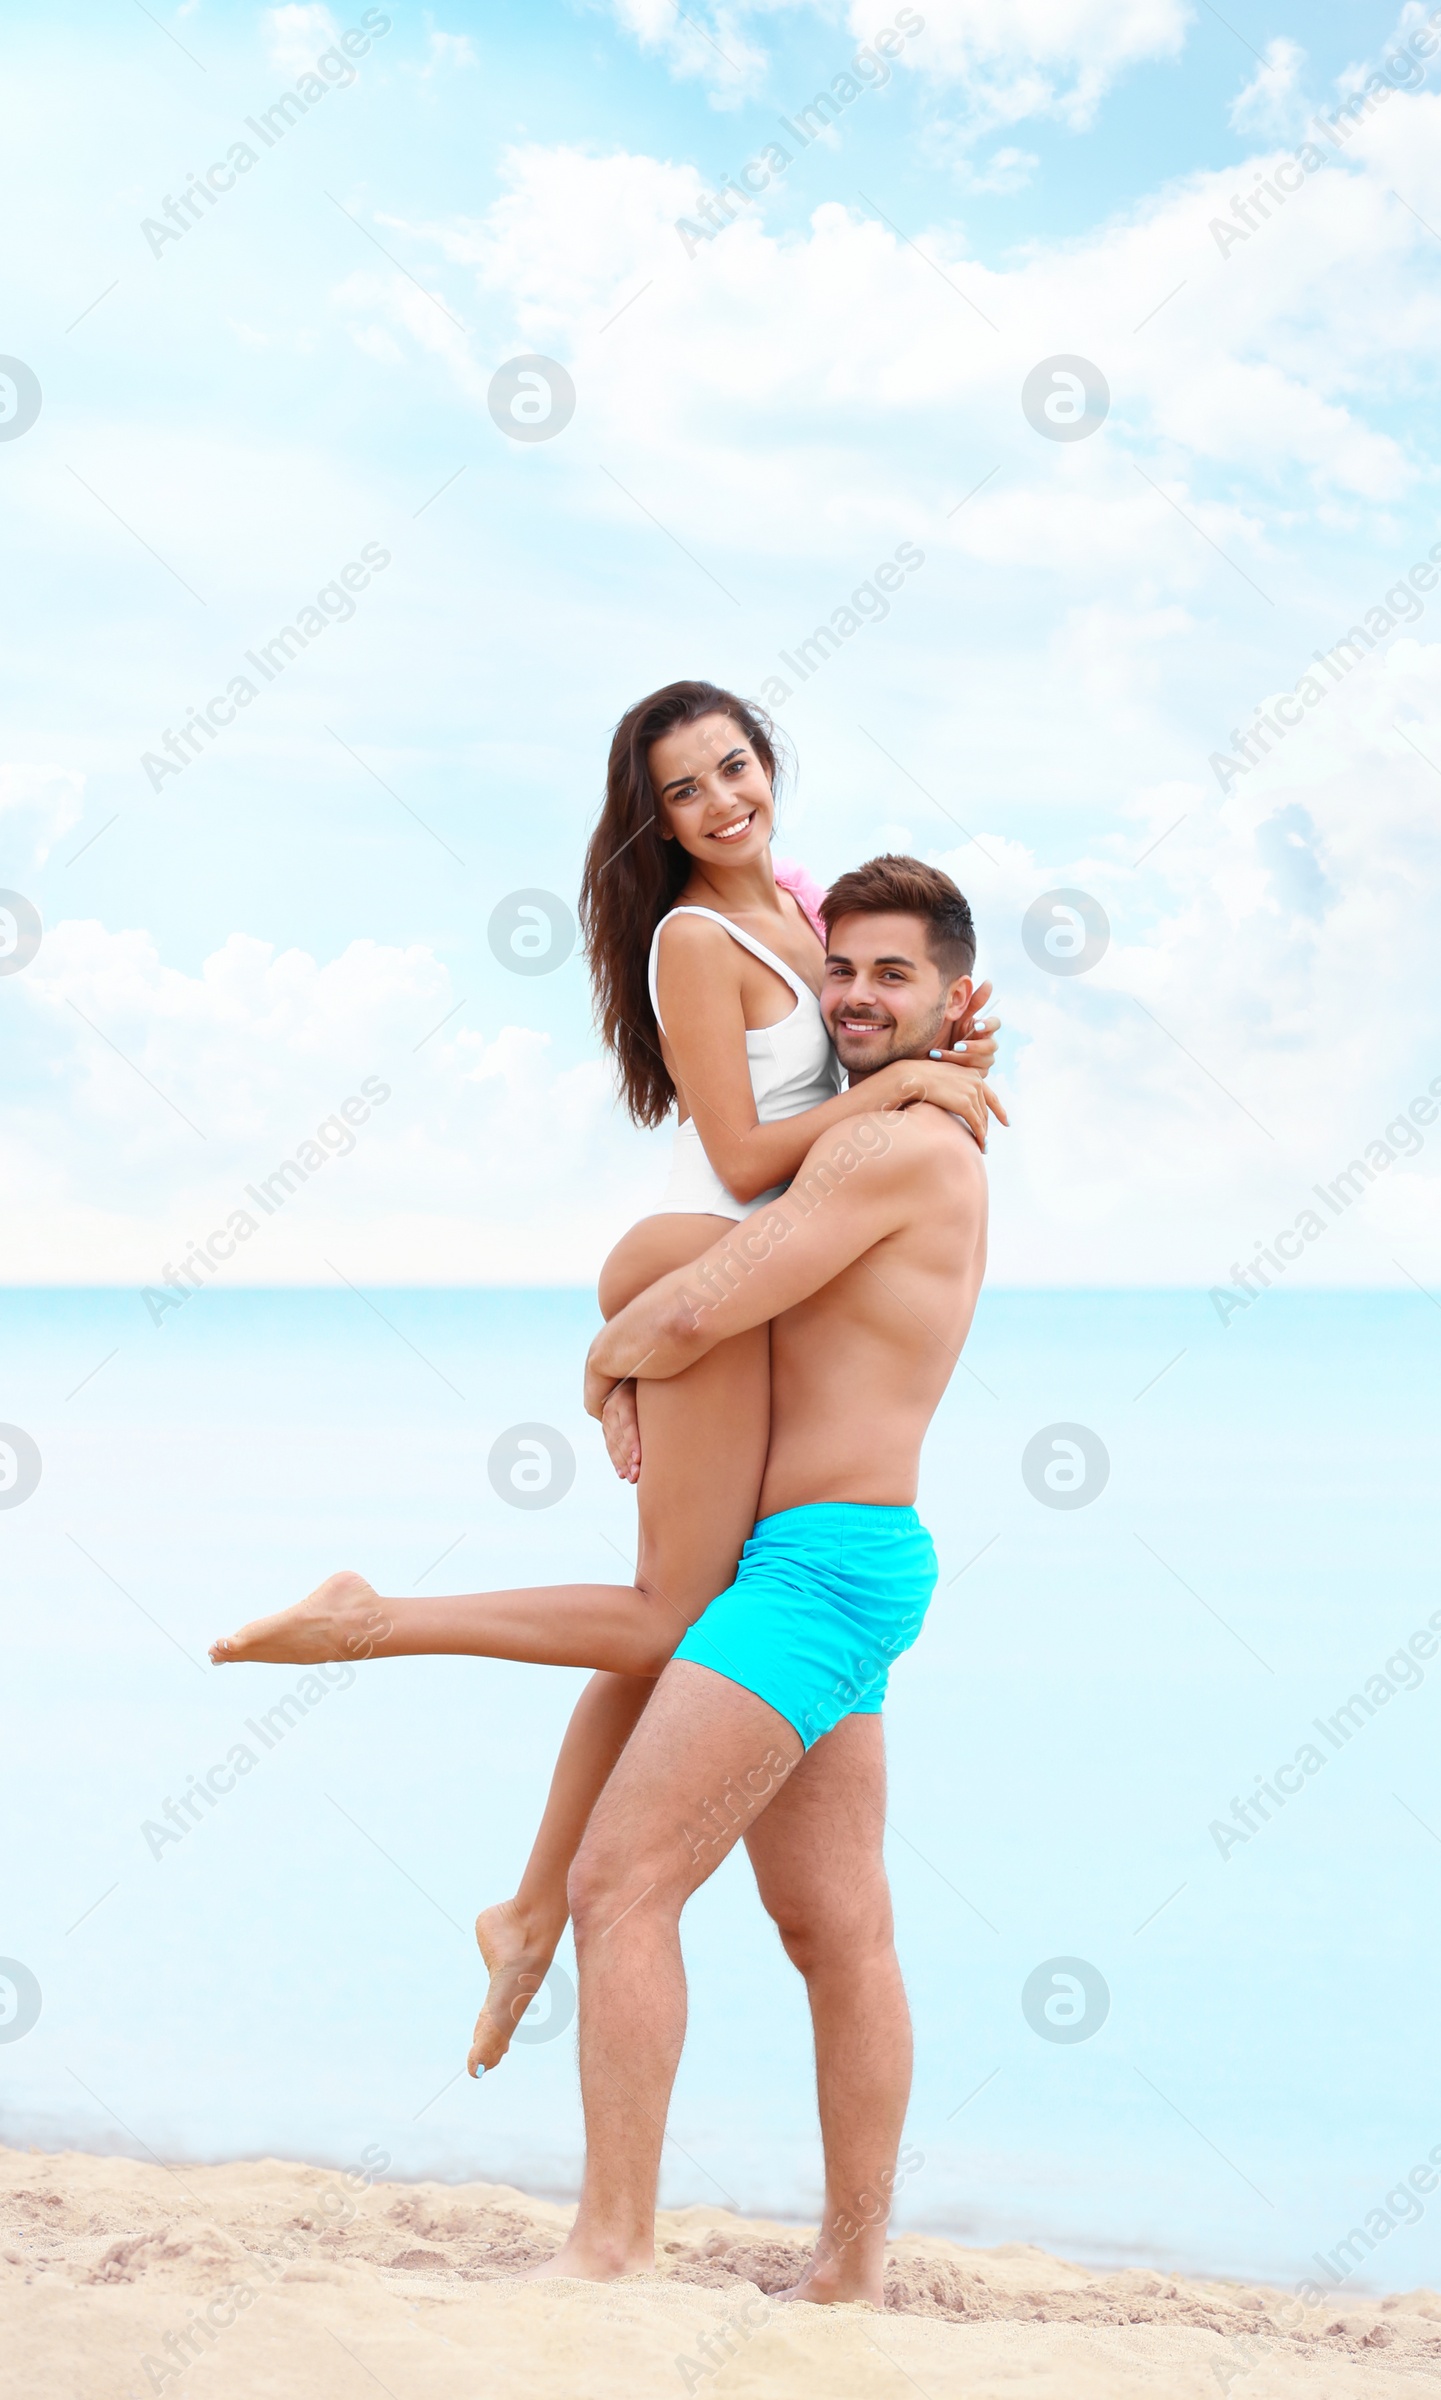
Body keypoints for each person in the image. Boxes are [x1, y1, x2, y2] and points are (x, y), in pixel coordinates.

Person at [210, 856, 991, 2308]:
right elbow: (729, 1266)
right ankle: (850, 2279)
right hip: (832, 1564)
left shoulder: (901, 1154)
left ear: (952, 993)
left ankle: (613, 2247)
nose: (860, 998)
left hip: (819, 1574)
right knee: (839, 1931)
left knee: (622, 1882)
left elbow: (710, 1299)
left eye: (897, 977)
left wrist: (606, 1361)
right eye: (845, 970)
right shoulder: (889, 1128)